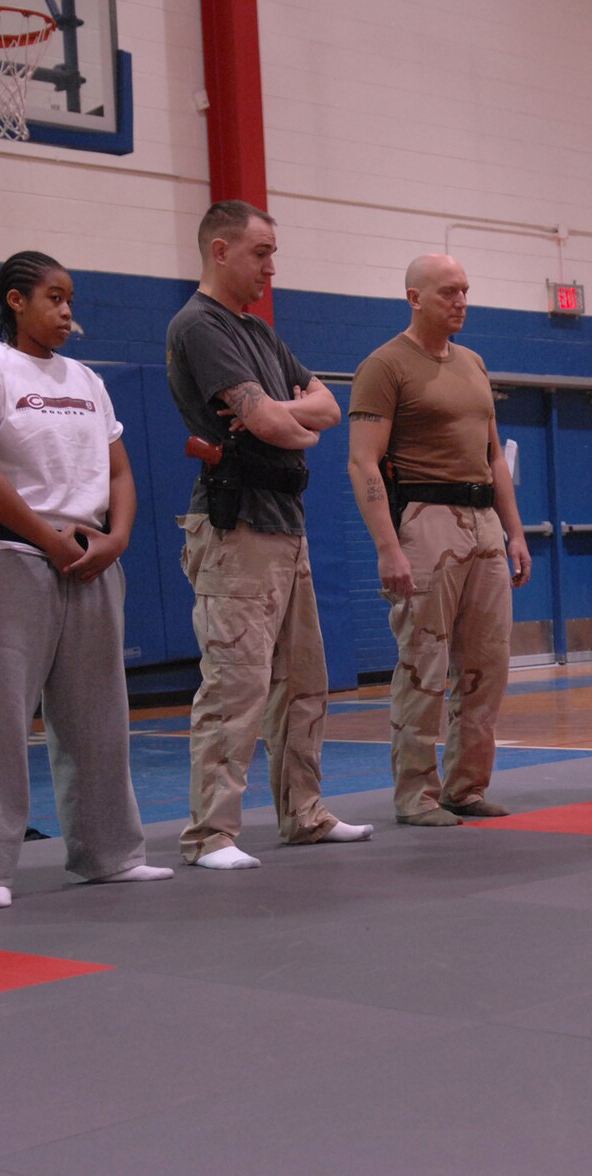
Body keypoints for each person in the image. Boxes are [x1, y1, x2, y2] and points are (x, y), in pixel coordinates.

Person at [0, 251, 174, 909]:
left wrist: (118, 537)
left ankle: (109, 854)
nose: (67, 310)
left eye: (71, 298)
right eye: (53, 296)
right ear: (16, 301)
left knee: (99, 717)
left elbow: (121, 473)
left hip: (92, 560)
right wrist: (47, 537)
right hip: (10, 558)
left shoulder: (87, 381)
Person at [166, 200, 370, 869]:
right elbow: (284, 426)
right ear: (220, 251)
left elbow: (326, 406)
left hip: (287, 523)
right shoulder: (199, 326)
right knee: (235, 685)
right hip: (237, 525)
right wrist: (284, 416)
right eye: (261, 253)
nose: (271, 267)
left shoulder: (259, 333)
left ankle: (304, 812)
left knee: (304, 681)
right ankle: (211, 834)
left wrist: (276, 413)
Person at [347, 254, 531, 826]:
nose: (461, 301)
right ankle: (415, 795)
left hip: (484, 526)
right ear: (414, 297)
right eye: (449, 291)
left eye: (466, 291)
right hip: (426, 519)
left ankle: (466, 788)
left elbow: (493, 455)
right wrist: (388, 547)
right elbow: (362, 462)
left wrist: (516, 532)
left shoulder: (474, 362)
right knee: (423, 664)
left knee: (487, 664)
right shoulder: (385, 365)